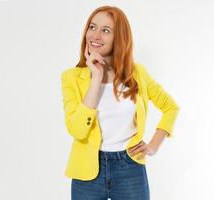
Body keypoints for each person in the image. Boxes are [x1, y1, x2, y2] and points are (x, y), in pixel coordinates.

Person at [60, 5, 180, 200]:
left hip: (129, 168)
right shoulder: (71, 78)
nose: (95, 35)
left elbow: (171, 107)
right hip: (87, 171)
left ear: (119, 37)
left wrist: (153, 145)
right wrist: (96, 78)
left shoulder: (137, 74)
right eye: (92, 27)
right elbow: (77, 131)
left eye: (106, 30)